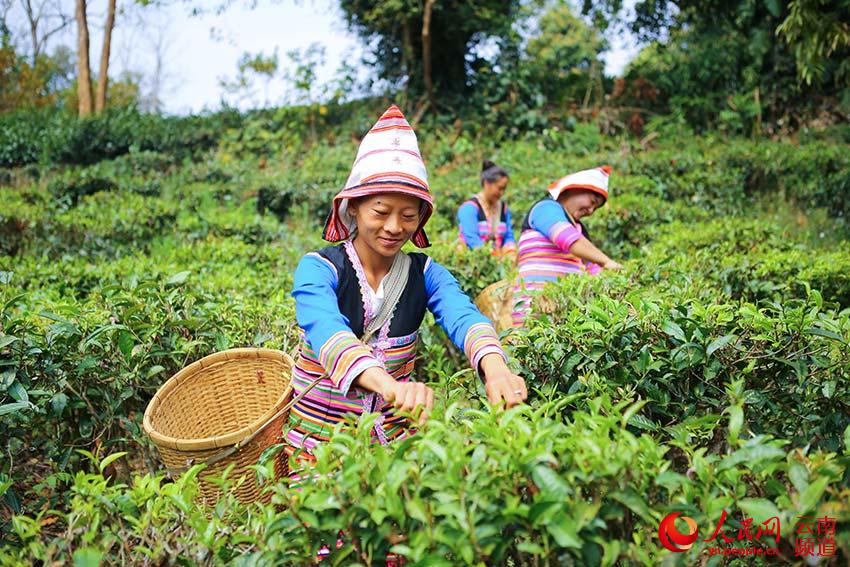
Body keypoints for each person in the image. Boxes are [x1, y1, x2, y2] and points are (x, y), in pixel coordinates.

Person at [286, 105, 527, 469]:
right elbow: (329, 334)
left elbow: (464, 317)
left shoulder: (425, 272)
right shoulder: (318, 269)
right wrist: (390, 387)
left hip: (395, 440)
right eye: (380, 212)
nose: (395, 227)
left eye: (409, 215)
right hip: (319, 443)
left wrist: (495, 368)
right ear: (353, 209)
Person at [512, 166, 622, 327]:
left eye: (595, 208)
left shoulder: (579, 230)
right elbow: (566, 238)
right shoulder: (545, 208)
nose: (591, 210)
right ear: (574, 189)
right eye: (592, 202)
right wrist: (607, 262)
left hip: (564, 311)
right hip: (534, 306)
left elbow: (592, 269)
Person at [456, 160, 517, 256]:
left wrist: (510, 253)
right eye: (499, 188)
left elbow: (508, 236)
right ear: (486, 183)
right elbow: (471, 238)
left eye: (504, 189)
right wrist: (492, 257)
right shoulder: (469, 208)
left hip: (499, 261)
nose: (502, 193)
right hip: (473, 261)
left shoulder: (504, 208)